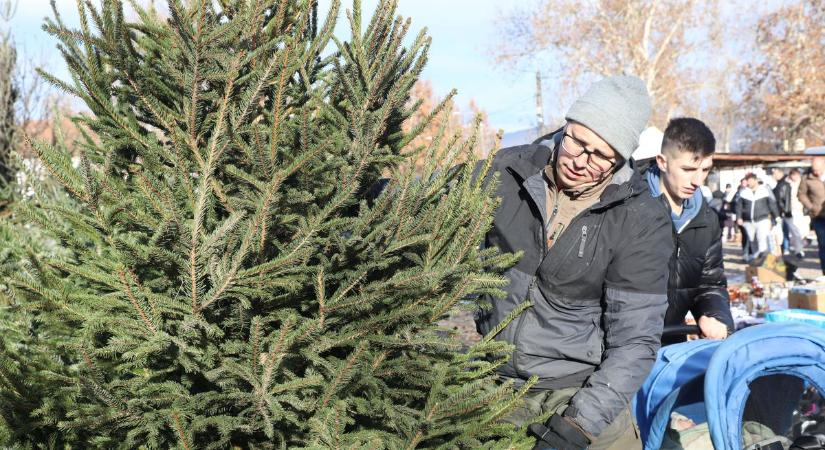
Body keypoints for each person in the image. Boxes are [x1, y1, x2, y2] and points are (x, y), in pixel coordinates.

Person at [474, 75, 673, 450]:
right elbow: (423, 200)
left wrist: (577, 426)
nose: (581, 161)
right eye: (577, 142)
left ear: (620, 158)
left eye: (601, 156)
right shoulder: (509, 173)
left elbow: (635, 342)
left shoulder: (640, 221)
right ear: (565, 126)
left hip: (579, 392)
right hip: (493, 386)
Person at [639, 117, 733, 344]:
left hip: (672, 344)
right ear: (662, 162)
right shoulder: (629, 208)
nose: (698, 180)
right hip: (621, 349)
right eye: (688, 169)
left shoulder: (707, 219)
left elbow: (710, 284)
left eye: (705, 170)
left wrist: (714, 315)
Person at [735, 173, 779, 262]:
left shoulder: (764, 190)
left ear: (755, 180)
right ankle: (756, 260)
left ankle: (764, 259)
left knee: (762, 239)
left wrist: (776, 216)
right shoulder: (744, 192)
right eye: (747, 180)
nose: (749, 182)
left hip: (762, 219)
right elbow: (738, 206)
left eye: (750, 180)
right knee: (752, 241)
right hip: (748, 221)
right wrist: (739, 217)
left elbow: (772, 204)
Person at [798, 157, 825, 274]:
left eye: (818, 170)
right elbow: (801, 195)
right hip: (818, 216)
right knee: (823, 244)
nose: (816, 172)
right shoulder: (806, 178)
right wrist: (811, 206)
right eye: (814, 170)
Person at [772, 168, 805, 258]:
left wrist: (786, 210)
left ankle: (798, 249)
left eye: (775, 173)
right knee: (782, 232)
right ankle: (784, 249)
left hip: (792, 211)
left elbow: (784, 200)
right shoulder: (783, 184)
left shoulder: (788, 184)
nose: (773, 176)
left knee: (796, 231)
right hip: (785, 211)